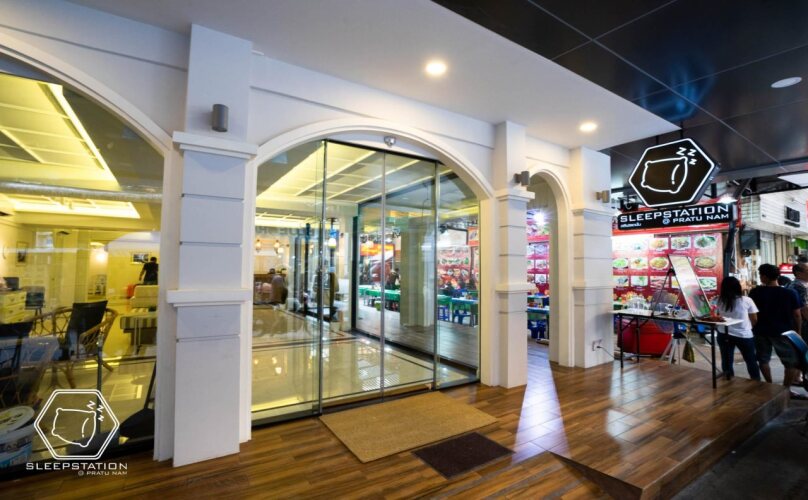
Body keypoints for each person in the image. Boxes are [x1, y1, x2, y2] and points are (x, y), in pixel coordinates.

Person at [748, 264, 804, 399]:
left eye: (761, 275)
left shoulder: (755, 292)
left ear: (764, 277)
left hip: (761, 331)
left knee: (763, 359)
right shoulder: (790, 293)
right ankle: (785, 390)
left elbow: (751, 313)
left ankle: (769, 385)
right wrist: (798, 332)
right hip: (783, 332)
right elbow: (797, 315)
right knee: (790, 362)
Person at [715, 276, 760, 381]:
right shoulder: (747, 300)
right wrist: (748, 327)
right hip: (744, 335)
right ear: (737, 287)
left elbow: (718, 315)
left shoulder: (719, 300)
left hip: (724, 333)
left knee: (726, 360)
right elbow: (754, 319)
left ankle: (728, 381)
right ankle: (756, 382)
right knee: (751, 360)